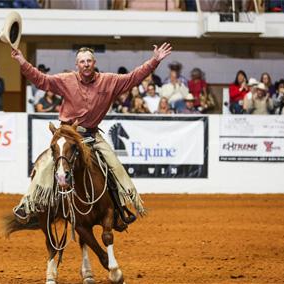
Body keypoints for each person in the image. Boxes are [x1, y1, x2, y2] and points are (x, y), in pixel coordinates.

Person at [11, 43, 172, 225]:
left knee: (115, 165)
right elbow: (41, 80)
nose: (86, 64)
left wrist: (155, 61)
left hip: (92, 134)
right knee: (46, 164)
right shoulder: (66, 80)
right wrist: (22, 61)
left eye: (89, 60)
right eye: (82, 61)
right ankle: (27, 203)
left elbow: (133, 78)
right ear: (77, 65)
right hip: (68, 133)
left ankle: (120, 208)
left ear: (94, 62)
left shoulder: (109, 81)